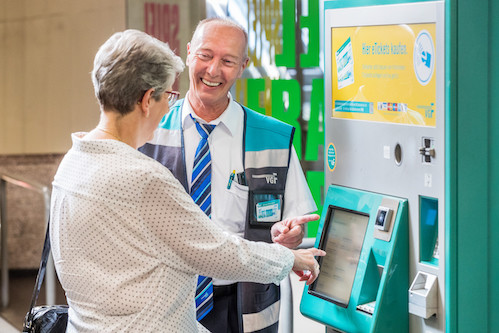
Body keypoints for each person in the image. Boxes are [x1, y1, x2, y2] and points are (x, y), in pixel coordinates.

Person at [49, 29, 324, 333]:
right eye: (167, 95)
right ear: (145, 100)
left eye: (228, 60)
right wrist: (289, 260)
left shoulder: (71, 163)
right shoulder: (143, 176)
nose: (169, 106)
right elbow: (214, 252)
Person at [140, 18, 318, 333]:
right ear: (189, 53)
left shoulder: (271, 138)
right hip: (164, 303)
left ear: (242, 66)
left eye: (227, 61)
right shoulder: (149, 131)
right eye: (206, 56)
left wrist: (290, 236)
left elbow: (294, 227)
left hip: (245, 306)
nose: (213, 70)